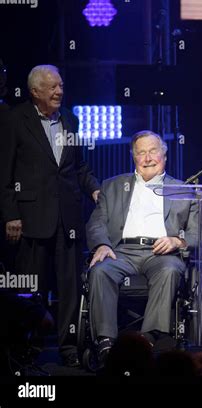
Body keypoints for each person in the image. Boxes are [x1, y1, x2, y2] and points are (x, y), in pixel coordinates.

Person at [0, 65, 100, 367]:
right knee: (31, 288)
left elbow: (78, 168)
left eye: (60, 85)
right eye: (52, 87)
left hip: (67, 218)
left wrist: (94, 190)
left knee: (69, 287)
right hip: (29, 220)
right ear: (35, 92)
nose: (59, 91)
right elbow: (4, 172)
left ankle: (68, 348)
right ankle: (27, 347)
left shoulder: (71, 119)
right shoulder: (15, 119)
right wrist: (10, 215)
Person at [86, 130, 198, 363]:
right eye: (141, 153)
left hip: (161, 253)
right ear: (134, 157)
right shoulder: (112, 185)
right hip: (120, 252)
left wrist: (177, 240)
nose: (147, 158)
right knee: (99, 270)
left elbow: (199, 234)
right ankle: (105, 342)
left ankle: (148, 338)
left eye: (153, 152)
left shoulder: (184, 189)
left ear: (164, 156)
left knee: (169, 270)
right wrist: (102, 245)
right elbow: (96, 223)